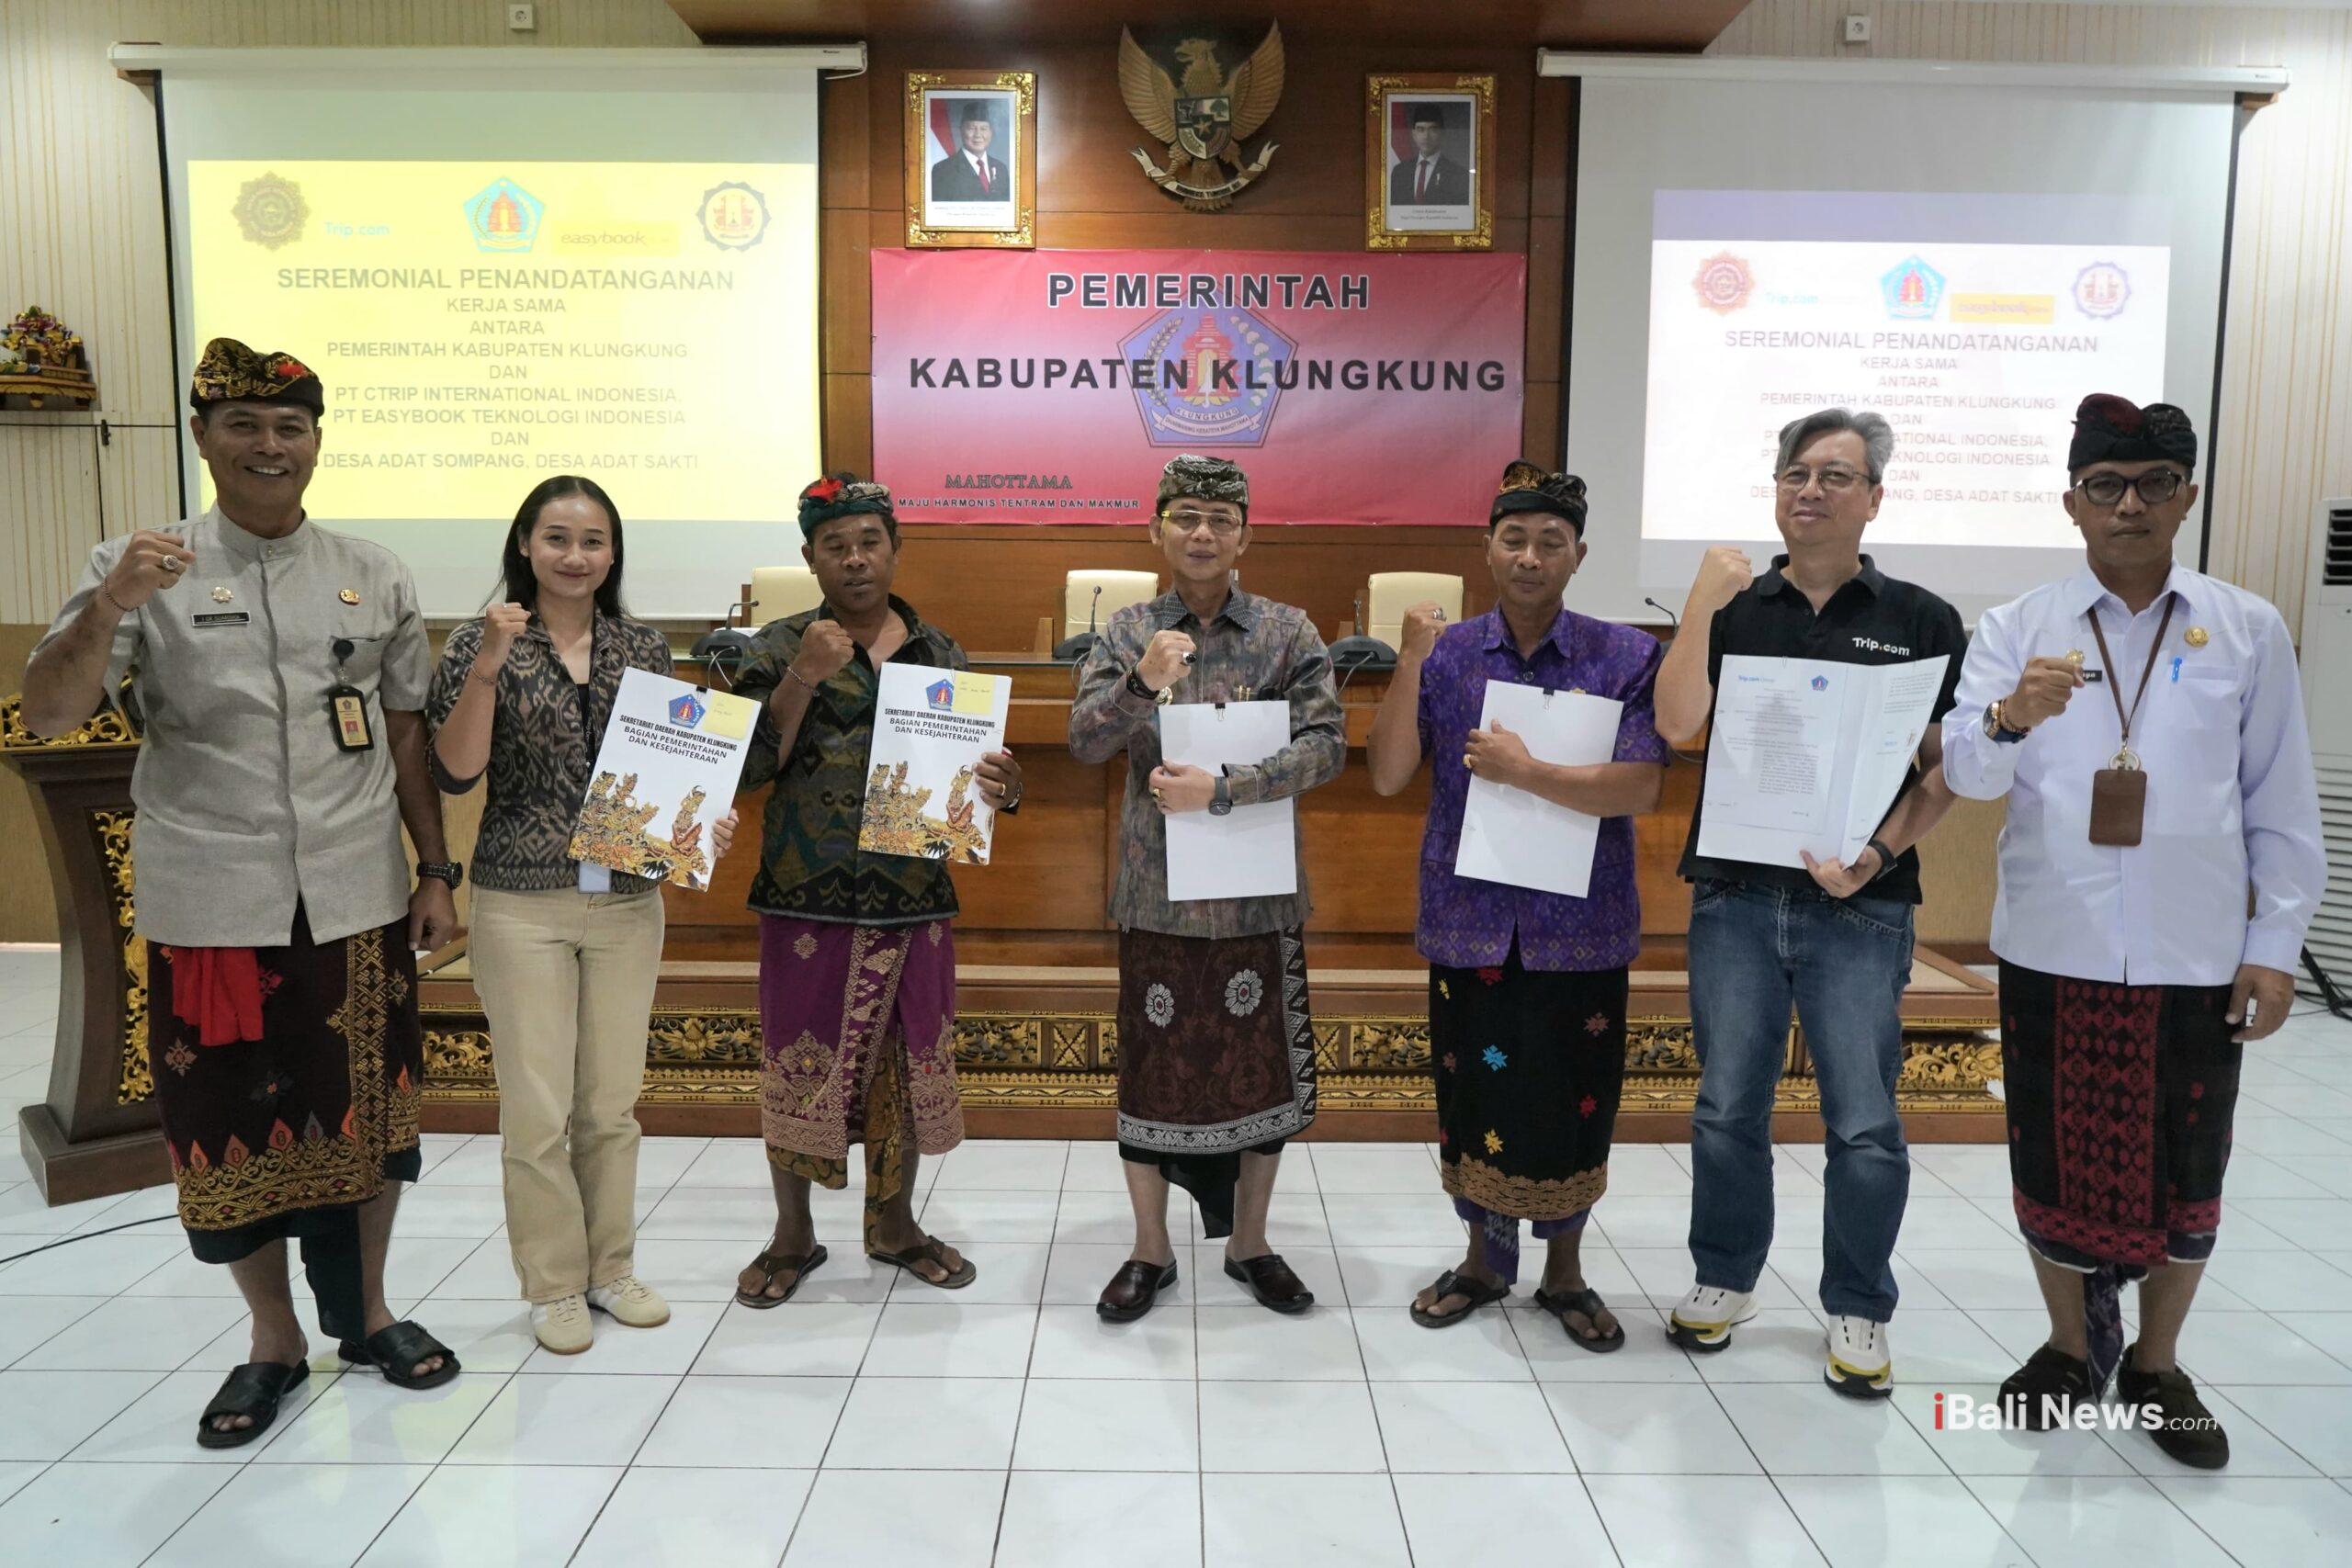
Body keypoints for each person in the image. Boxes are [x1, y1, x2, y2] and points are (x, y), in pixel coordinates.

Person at [21, 337, 462, 1447]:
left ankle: (369, 1314)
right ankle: (273, 1339)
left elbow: (404, 734)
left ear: (316, 442)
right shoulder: (138, 566)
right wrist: (109, 605)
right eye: (245, 425)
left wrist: (435, 870)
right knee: (229, 1129)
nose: (270, 445)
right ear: (203, 437)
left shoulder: (374, 570)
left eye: (290, 427)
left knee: (372, 1117)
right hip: (215, 907)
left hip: (356, 897)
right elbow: (53, 712)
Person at [1942, 395, 2324, 1468]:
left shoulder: (2244, 628)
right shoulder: (2017, 627)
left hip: (2193, 951)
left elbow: (2280, 801)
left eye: (2154, 485)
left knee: (2188, 1165)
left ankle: (2156, 1364)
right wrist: (2010, 716)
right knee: (2051, 1154)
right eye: (2104, 486)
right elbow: (1968, 773)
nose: (2129, 505)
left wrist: (2273, 947)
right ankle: (2068, 1347)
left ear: (2185, 497)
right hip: (2053, 944)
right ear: (2070, 502)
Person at [1652, 407, 1967, 1398]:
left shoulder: (1921, 618)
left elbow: (1947, 770)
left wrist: (1876, 855)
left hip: (1861, 905)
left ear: (1874, 498)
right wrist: (1701, 601)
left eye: (1835, 475)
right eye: (1796, 473)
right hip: (1737, 899)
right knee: (1725, 1105)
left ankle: (1859, 1305)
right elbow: (1676, 723)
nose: (1811, 490)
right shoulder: (1738, 607)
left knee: (1864, 1120)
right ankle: (1724, 1276)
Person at [425, 476, 738, 1354]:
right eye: (557, 537)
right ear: (525, 544)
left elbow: (673, 770)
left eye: (593, 540)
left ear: (613, 553)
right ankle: (554, 1284)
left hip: (629, 902)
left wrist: (701, 815)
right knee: (536, 1109)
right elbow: (455, 770)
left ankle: (611, 1269)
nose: (575, 555)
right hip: (521, 904)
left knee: (610, 1104)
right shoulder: (481, 639)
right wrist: (489, 664)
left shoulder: (643, 644)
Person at [1367, 463, 1667, 1345]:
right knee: (1473, 1097)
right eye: (1514, 539)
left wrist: (1527, 772)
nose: (1531, 557)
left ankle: (1565, 1273)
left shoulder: (1626, 655)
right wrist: (1409, 660)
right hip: (1471, 918)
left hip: (1580, 926)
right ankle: (1483, 1261)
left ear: (1579, 555)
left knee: (1577, 1099)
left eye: (1551, 542)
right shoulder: (1450, 651)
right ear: (1488, 550)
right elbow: (1387, 773)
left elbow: (1641, 786)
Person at [725, 474, 1023, 1305]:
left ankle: (894, 1224)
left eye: (869, 542)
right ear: (810, 557)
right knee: (797, 1061)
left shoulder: (941, 652)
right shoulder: (775, 645)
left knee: (906, 1065)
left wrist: (1005, 787)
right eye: (836, 546)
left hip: (913, 895)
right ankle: (793, 1234)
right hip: (805, 895)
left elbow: (977, 778)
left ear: (895, 548)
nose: (855, 559)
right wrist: (803, 675)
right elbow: (747, 770)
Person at [1069, 454, 1345, 1322]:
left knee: (1261, 1078)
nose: (1202, 533)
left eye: (1221, 519)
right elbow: (1083, 740)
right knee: (1151, 1078)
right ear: (1156, 529)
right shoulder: (1126, 631)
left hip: (1257, 896)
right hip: (1158, 898)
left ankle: (1249, 1243)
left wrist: (1226, 788)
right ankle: (1150, 1249)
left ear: (1244, 536)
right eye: (1186, 516)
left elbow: (1327, 746)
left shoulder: (1288, 631)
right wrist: (1141, 683)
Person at [1389, 103, 1470, 207]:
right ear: (1414, 134)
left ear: (1442, 134)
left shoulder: (1458, 174)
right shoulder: (1399, 172)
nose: (1426, 136)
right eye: (1421, 129)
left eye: (1433, 129)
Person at [930, 100, 1011, 202]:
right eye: (971, 128)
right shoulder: (942, 170)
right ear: (961, 130)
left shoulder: (1001, 169)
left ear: (991, 132)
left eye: (984, 129)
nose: (978, 135)